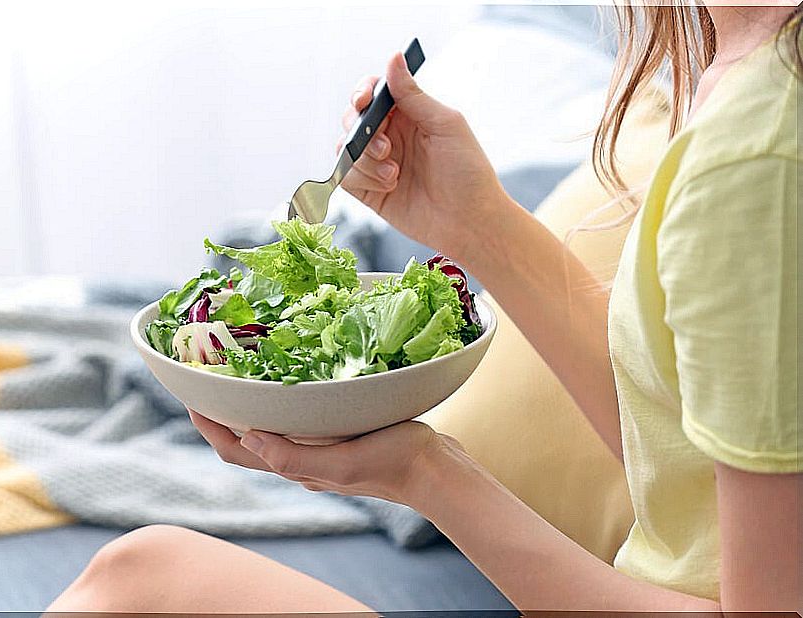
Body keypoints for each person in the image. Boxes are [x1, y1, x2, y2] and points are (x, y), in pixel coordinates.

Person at [49, 4, 801, 613]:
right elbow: (680, 458)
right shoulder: (734, 72)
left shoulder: (758, 153)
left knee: (138, 586)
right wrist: (474, 223)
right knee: (145, 569)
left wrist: (423, 472)